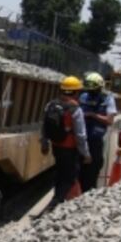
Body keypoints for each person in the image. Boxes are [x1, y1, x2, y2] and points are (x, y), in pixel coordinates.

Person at [40, 76, 91, 208]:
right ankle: (56, 203)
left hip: (56, 146)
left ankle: (58, 200)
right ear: (76, 92)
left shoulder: (50, 105)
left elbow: (44, 126)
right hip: (70, 149)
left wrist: (44, 143)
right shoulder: (75, 109)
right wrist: (85, 154)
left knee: (60, 173)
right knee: (69, 177)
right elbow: (80, 135)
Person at [77, 72, 117, 192]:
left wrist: (92, 115)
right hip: (80, 139)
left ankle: (89, 192)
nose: (90, 93)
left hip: (95, 141)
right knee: (79, 171)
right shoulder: (83, 96)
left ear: (100, 87)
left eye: (93, 90)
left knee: (93, 169)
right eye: (89, 90)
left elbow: (109, 120)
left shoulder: (107, 99)